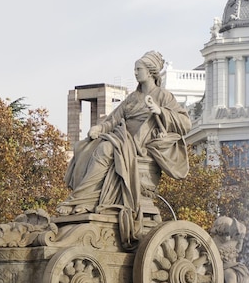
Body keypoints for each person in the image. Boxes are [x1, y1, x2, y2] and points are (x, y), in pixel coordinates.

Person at [56, 51, 191, 245]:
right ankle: (86, 199)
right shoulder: (132, 98)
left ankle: (82, 200)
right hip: (123, 138)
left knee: (106, 150)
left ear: (151, 71)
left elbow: (185, 124)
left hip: (141, 146)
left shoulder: (163, 96)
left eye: (139, 69)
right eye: (135, 69)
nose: (136, 73)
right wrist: (100, 128)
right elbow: (114, 119)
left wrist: (160, 111)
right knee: (85, 147)